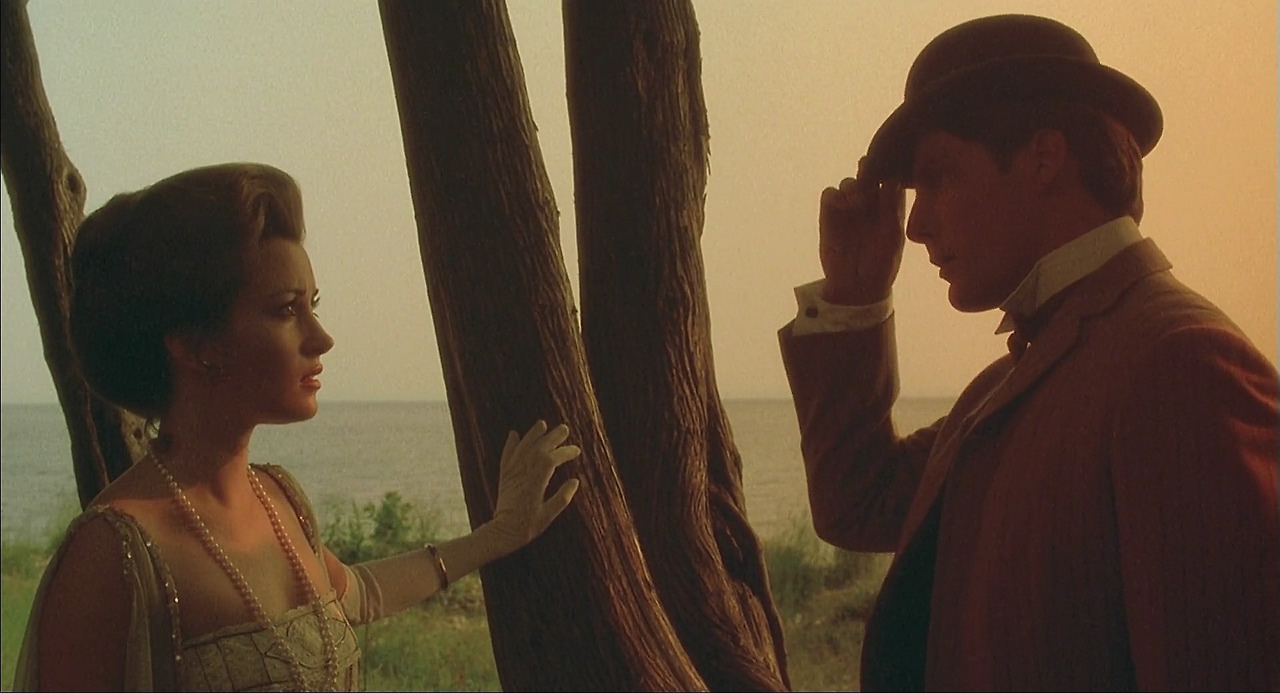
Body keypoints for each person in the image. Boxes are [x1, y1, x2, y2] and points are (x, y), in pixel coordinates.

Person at [778, 13, 1279, 691]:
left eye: (939, 177)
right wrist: (855, 294)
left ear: (1044, 159)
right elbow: (858, 503)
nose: (916, 225)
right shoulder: (1008, 384)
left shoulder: (1180, 364)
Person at [12, 162, 582, 691]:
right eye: (287, 309)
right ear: (197, 346)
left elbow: (358, 594)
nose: (321, 337)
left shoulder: (278, 497)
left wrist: (499, 534)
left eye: (314, 304)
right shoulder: (111, 553)